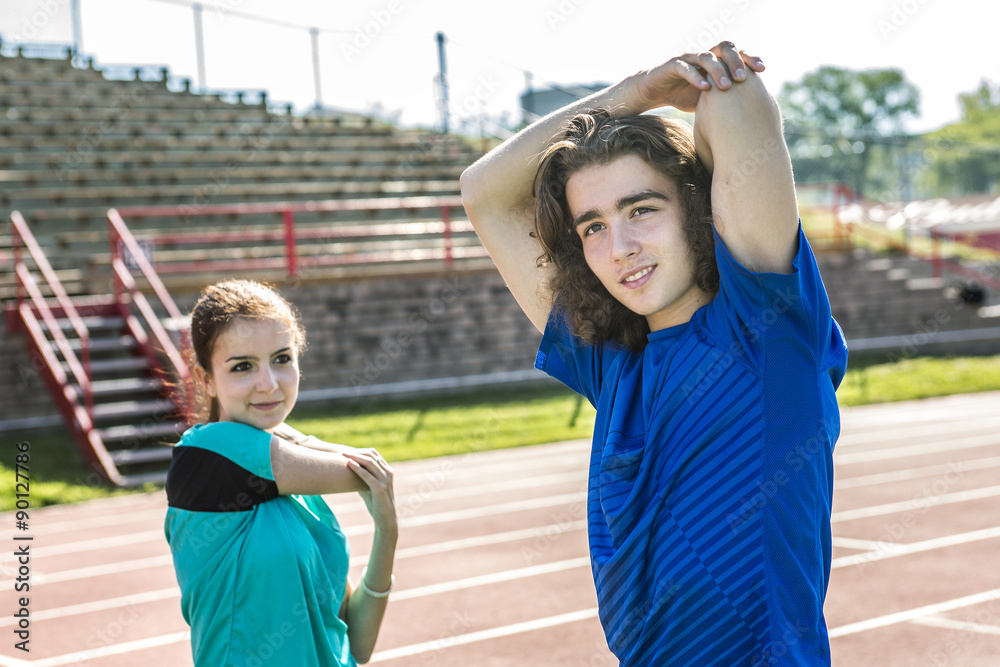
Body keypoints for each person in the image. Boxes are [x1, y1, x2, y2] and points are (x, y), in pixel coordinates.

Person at [460, 42, 847, 666]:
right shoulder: (609, 359)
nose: (621, 247)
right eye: (594, 226)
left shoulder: (766, 331)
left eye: (642, 209)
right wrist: (635, 92)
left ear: (696, 207)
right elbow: (483, 192)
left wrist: (683, 88)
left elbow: (736, 98)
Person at [163, 279, 397, 666]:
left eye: (282, 358)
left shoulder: (303, 491)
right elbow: (364, 471)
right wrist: (310, 444)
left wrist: (388, 533)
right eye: (242, 366)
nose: (268, 383)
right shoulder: (203, 454)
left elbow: (355, 644)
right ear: (206, 381)